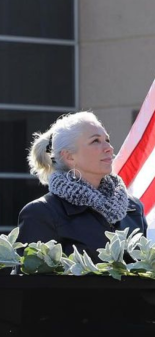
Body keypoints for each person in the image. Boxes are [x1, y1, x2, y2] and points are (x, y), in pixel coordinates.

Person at [17, 111, 147, 262]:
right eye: (95, 141)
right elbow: (32, 283)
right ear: (69, 156)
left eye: (107, 139)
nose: (109, 148)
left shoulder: (133, 208)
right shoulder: (41, 213)